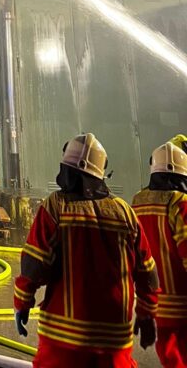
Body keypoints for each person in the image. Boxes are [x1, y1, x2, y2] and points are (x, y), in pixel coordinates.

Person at [14, 133, 160, 368]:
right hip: (115, 342)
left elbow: (34, 266)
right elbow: (147, 272)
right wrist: (146, 311)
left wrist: (22, 303)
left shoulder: (55, 206)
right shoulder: (124, 213)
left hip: (64, 340)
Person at [132, 142, 187, 368]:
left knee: (172, 361)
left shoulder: (137, 202)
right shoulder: (180, 202)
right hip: (182, 307)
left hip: (155, 306)